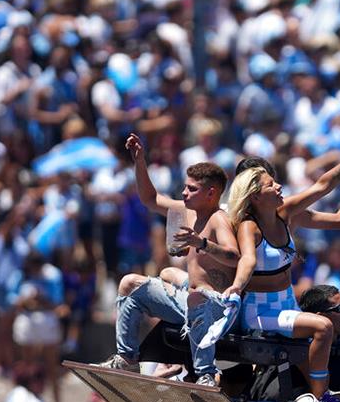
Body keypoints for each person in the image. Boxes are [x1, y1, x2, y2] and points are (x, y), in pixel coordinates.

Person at [96, 133, 239, 387]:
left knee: (196, 297)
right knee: (129, 283)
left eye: (191, 189)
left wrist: (202, 244)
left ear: (211, 193)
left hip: (215, 307)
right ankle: (127, 357)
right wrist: (139, 161)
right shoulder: (187, 211)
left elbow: (233, 256)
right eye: (185, 186)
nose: (184, 193)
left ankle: (205, 373)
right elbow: (150, 199)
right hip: (189, 299)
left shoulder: (219, 219)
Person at [224, 146, 340, 400]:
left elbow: (323, 187)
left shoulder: (286, 213)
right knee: (322, 327)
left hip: (287, 303)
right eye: (271, 183)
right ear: (254, 196)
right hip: (261, 311)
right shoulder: (248, 226)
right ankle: (323, 400)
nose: (279, 186)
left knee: (319, 350)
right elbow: (247, 260)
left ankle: (316, 396)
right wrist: (236, 286)